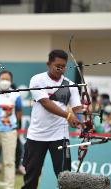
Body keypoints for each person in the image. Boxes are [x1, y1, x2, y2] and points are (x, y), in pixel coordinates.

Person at [21, 49, 82, 189]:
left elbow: (77, 108)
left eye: (64, 66)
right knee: (31, 176)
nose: (61, 69)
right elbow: (46, 103)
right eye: (57, 65)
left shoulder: (71, 85)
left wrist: (81, 120)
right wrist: (68, 115)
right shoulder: (37, 79)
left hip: (60, 135)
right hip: (36, 136)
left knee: (65, 177)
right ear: (49, 63)